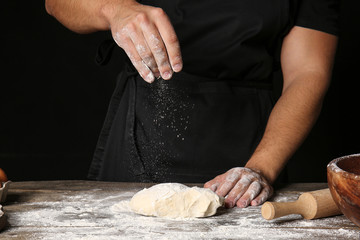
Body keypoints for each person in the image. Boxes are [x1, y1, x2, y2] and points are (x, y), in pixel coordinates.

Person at [45, 0, 339, 208]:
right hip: (144, 125)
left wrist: (261, 167)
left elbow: (307, 73)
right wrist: (113, 8)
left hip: (254, 139)